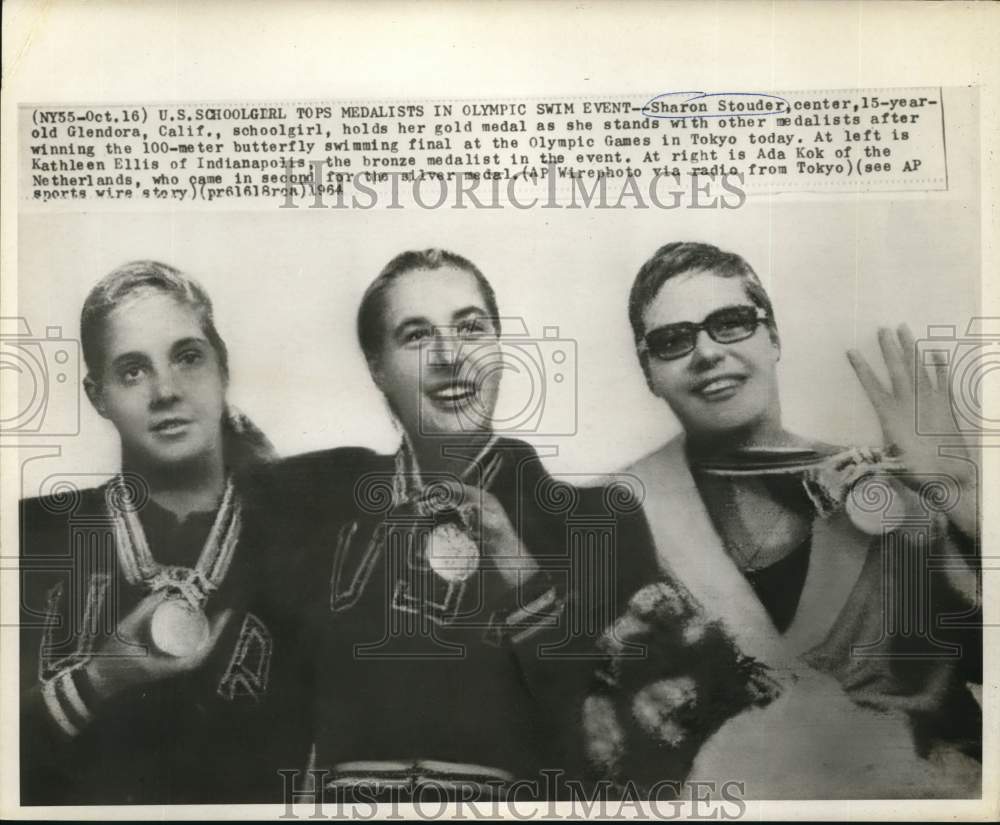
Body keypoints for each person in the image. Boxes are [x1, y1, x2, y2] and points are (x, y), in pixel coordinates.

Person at [243, 248, 773, 802]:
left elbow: (627, 769)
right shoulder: (321, 501)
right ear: (377, 367)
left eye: (471, 329)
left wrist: (519, 573)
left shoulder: (595, 522)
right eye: (417, 335)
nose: (451, 357)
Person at [621, 241, 981, 798]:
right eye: (673, 340)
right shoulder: (620, 514)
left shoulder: (897, 495)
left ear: (774, 337)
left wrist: (961, 493)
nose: (707, 352)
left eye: (732, 323)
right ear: (649, 372)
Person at [19, 261, 309, 805]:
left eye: (188, 357)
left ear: (223, 368)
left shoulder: (307, 542)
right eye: (132, 370)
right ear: (97, 395)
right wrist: (99, 679)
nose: (166, 391)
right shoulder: (28, 536)